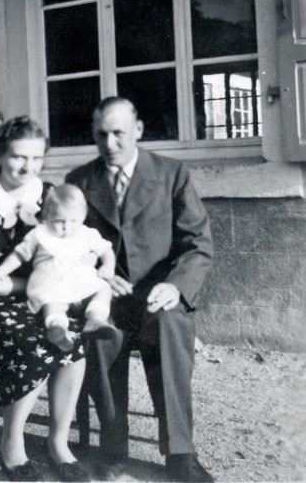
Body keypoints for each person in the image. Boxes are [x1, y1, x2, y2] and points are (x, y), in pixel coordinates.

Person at [66, 97, 214, 483]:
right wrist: (95, 275)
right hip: (106, 294)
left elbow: (198, 243)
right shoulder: (79, 182)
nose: (110, 143)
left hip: (158, 294)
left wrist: (176, 286)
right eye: (101, 134)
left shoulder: (172, 173)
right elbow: (65, 248)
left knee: (168, 328)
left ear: (138, 130)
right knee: (99, 334)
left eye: (118, 133)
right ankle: (113, 448)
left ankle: (180, 454)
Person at [0, 116, 90, 482]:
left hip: (38, 293)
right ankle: (10, 444)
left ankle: (58, 443)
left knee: (73, 343)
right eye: (18, 158)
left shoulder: (47, 195)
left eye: (37, 159)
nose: (28, 167)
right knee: (34, 344)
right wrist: (24, 285)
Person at [0, 183, 119, 353]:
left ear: (83, 216)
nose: (67, 227)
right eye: (60, 221)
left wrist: (108, 265)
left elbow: (106, 250)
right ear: (48, 216)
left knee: (103, 289)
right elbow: (18, 255)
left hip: (81, 280)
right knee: (52, 302)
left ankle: (95, 319)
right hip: (51, 282)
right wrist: (0, 272)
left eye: (73, 221)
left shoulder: (86, 233)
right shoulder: (39, 233)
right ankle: (57, 329)